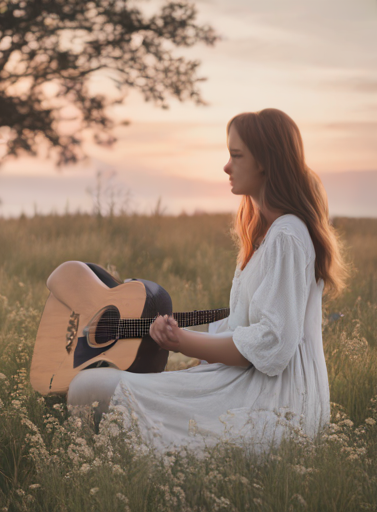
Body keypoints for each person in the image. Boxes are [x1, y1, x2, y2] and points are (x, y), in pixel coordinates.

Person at [67, 108, 349, 454]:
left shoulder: (287, 235)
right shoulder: (264, 237)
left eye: (236, 155)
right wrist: (179, 346)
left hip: (280, 401)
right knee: (89, 385)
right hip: (254, 384)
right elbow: (241, 328)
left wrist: (183, 342)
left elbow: (271, 344)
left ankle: (110, 473)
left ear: (264, 161)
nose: (227, 166)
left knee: (87, 389)